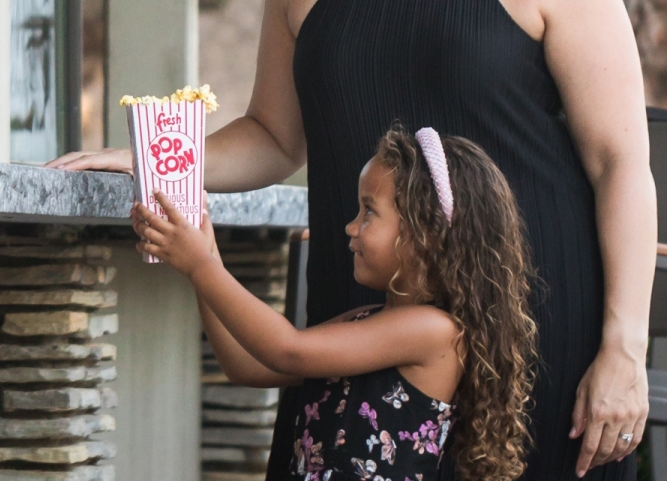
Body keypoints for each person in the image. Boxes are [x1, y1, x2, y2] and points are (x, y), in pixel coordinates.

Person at [54, 0, 657, 479]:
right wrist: (144, 163)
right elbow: (275, 137)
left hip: (538, 341)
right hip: (357, 333)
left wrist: (623, 347)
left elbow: (621, 165)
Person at [137, 124, 537, 481]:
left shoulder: (433, 332)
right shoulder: (366, 321)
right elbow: (246, 365)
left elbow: (286, 350)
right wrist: (206, 258)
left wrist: (202, 266)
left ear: (425, 233)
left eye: (368, 212)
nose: (351, 226)